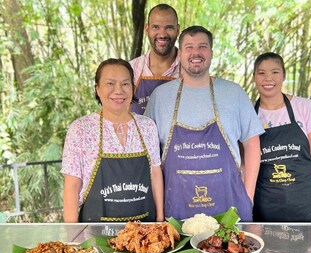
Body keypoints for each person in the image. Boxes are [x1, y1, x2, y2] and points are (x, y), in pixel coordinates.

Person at [144, 26, 264, 221]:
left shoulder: (234, 93)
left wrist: (247, 197)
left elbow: (252, 144)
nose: (196, 53)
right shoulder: (160, 97)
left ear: (211, 53)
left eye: (202, 46)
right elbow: (148, 155)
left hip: (229, 213)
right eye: (189, 47)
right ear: (180, 54)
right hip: (175, 214)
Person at [61, 58, 164, 223]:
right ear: (98, 89)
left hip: (145, 235)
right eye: (110, 84)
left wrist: (159, 219)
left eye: (125, 84)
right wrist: (73, 235)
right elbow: (72, 185)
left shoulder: (147, 126)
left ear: (133, 88)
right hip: (95, 235)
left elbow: (155, 173)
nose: (118, 91)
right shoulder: (80, 129)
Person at [253, 52, 311, 222]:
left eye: (275, 72)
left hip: (307, 206)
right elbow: (245, 165)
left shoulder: (304, 107)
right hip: (265, 209)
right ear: (254, 77)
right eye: (261, 73)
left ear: (283, 75)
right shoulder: (249, 113)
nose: (268, 78)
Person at [130, 3, 180, 114]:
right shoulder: (131, 69)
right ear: (147, 29)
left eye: (169, 28)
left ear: (178, 30)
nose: (162, 34)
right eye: (156, 27)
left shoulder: (189, 69)